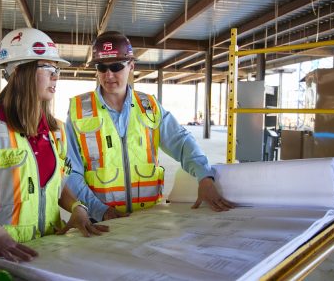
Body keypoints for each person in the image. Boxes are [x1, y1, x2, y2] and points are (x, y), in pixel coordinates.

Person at [0, 28, 108, 263]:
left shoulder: (56, 131)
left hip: (43, 253)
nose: (56, 76)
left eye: (57, 70)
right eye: (48, 68)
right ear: (20, 71)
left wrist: (77, 208)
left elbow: (54, 187)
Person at [65, 31, 233, 222]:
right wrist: (99, 211)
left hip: (148, 219)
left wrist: (204, 176)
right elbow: (72, 172)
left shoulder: (150, 106)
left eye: (116, 66)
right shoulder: (78, 111)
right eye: (102, 67)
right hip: (102, 221)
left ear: (131, 66)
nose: (108, 74)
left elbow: (181, 142)